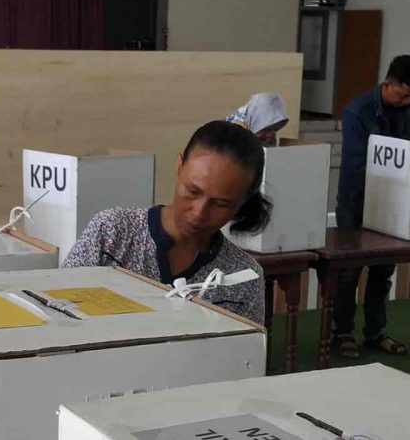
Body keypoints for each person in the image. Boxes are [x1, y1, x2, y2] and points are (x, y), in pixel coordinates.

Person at [63, 121, 272, 324]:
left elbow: (244, 354)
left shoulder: (242, 276)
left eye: (220, 203)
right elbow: (57, 309)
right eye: (192, 191)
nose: (199, 213)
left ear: (243, 201)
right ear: (179, 167)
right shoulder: (112, 233)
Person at [333, 54, 410, 358]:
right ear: (387, 83)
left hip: (394, 205)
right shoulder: (357, 111)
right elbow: (358, 162)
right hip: (356, 201)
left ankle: (374, 332)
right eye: (402, 94)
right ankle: (342, 333)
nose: (406, 101)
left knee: (382, 272)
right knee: (348, 272)